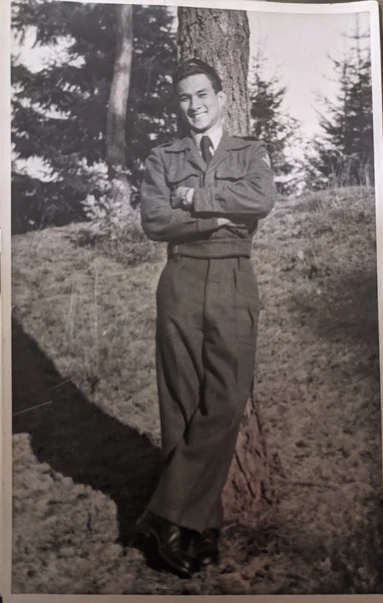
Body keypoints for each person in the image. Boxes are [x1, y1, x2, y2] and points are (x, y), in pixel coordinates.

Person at [138, 58, 275, 578]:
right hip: (181, 280)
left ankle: (162, 513)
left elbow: (259, 199)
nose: (194, 106)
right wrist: (220, 217)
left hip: (234, 280)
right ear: (177, 105)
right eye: (183, 99)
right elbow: (155, 220)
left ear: (221, 97)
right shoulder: (162, 156)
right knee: (182, 401)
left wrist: (196, 199)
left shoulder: (250, 151)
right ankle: (195, 528)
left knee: (226, 397)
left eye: (202, 95)